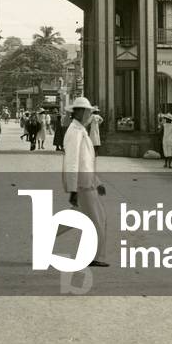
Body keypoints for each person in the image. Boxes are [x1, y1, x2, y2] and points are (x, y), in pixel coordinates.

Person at [63, 96, 108, 268]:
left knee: (77, 217)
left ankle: (45, 234)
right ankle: (95, 257)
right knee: (97, 219)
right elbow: (72, 161)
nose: (90, 114)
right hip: (82, 183)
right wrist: (73, 189)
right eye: (88, 111)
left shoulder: (81, 130)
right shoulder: (75, 133)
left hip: (86, 181)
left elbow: (85, 160)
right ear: (81, 112)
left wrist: (98, 181)